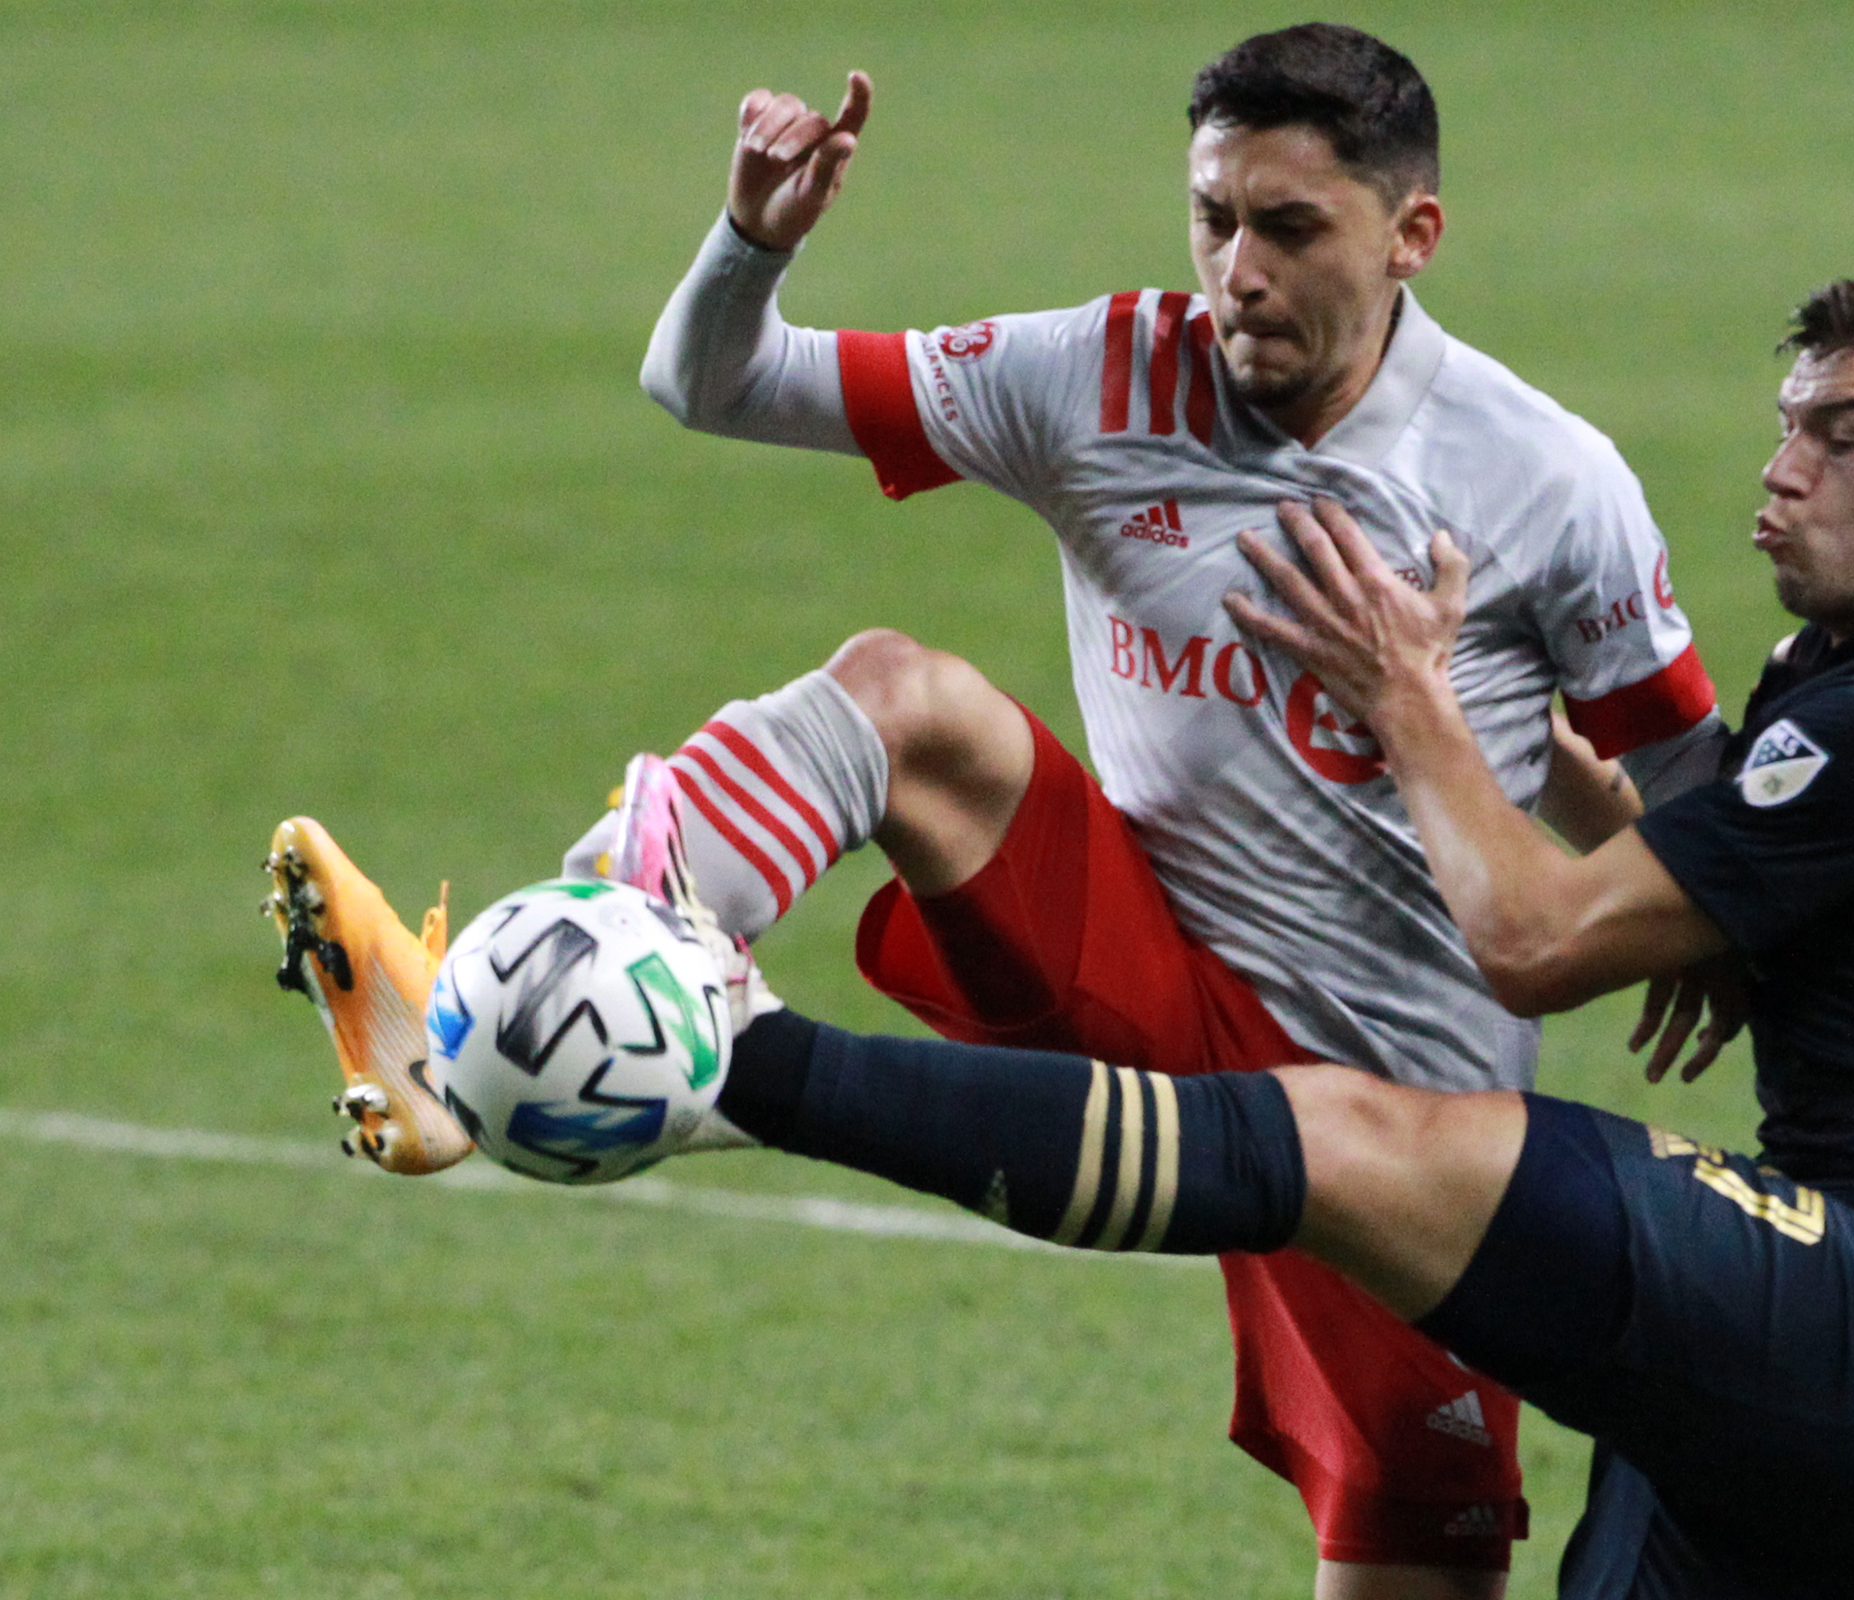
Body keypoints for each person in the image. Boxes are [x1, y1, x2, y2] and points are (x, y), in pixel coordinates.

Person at [263, 24, 1728, 1595]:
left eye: (1290, 228)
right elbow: (708, 381)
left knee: (1417, 1559)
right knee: (905, 702)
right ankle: (540, 1001)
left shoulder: (1545, 480)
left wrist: (1713, 925)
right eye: (1213, 217)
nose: (1238, 268)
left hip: (1395, 1121)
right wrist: (755, 239)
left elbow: (1693, 767)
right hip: (1141, 974)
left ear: (1412, 235)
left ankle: (565, 1019)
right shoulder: (1101, 374)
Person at [451, 273, 1854, 1597]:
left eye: (1842, 435)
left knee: (1337, 1138)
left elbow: (1532, 946)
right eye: (1788, 423)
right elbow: (1710, 851)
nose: (1783, 465)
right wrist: (1506, 730)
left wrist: (1413, 699)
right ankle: (651, 948)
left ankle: (725, 1058)